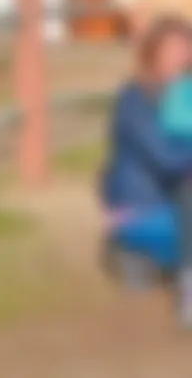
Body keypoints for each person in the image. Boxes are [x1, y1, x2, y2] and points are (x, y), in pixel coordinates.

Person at [101, 17, 192, 327]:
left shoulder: (183, 96)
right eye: (172, 50)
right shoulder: (135, 98)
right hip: (143, 203)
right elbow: (166, 159)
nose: (179, 57)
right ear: (153, 52)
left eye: (185, 50)